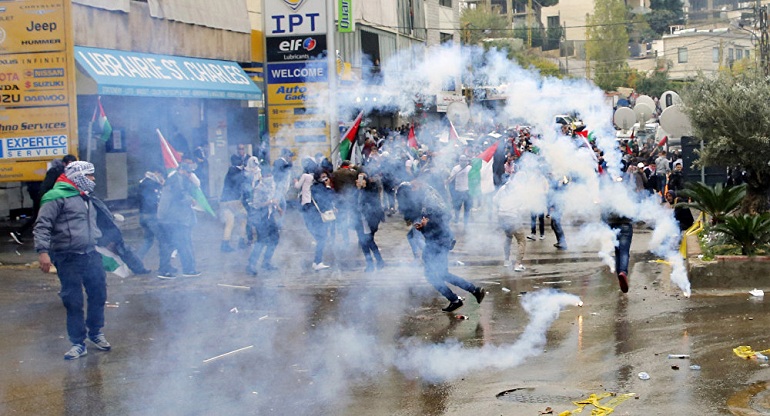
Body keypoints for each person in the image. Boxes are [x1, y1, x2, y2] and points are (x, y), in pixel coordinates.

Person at [33, 161, 112, 360]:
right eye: (90, 175)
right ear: (78, 176)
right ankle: (78, 342)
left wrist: (107, 241)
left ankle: (95, 332)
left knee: (98, 294)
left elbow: (95, 223)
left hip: (90, 254)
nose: (93, 179)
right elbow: (42, 226)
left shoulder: (86, 197)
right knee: (73, 300)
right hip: (67, 257)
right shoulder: (55, 197)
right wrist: (43, 252)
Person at [413, 182, 486, 312]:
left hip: (438, 244)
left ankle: (456, 298)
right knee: (442, 274)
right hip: (438, 243)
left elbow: (439, 225)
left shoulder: (432, 205)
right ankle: (473, 291)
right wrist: (423, 228)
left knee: (432, 275)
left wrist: (426, 225)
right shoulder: (430, 203)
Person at [156, 158, 201, 279]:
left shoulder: (174, 179)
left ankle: (164, 269)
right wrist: (190, 200)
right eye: (188, 173)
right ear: (183, 171)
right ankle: (188, 269)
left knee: (168, 245)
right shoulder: (177, 180)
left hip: (169, 219)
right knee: (184, 244)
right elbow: (180, 196)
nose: (189, 175)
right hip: (177, 219)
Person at [246, 169, 282, 275]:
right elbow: (257, 204)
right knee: (261, 241)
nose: (269, 177)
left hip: (269, 216)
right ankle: (251, 265)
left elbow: (273, 198)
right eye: (267, 175)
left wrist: (278, 207)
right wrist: (270, 202)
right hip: (259, 218)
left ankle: (266, 262)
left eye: (270, 174)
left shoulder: (272, 186)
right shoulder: (259, 188)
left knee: (275, 238)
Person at [353, 172, 385, 272]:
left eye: (363, 177)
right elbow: (352, 201)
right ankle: (370, 263)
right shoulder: (357, 190)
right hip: (359, 220)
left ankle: (378, 260)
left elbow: (373, 201)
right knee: (363, 242)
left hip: (369, 220)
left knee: (369, 241)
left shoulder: (372, 188)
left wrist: (365, 187)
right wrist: (358, 189)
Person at [495, 181, 527, 272]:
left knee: (508, 237)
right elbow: (523, 206)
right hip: (513, 217)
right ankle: (518, 264)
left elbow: (495, 200)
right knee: (521, 240)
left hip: (502, 216)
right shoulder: (518, 191)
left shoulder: (502, 188)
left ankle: (506, 260)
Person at [219, 155, 248, 252]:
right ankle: (242, 241)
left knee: (229, 223)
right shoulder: (237, 172)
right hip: (233, 201)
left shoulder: (230, 171)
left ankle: (225, 244)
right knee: (244, 218)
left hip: (224, 201)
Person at [136, 169, 164, 259]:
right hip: (151, 216)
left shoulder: (143, 182)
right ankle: (165, 266)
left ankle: (137, 261)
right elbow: (152, 201)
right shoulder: (150, 184)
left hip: (143, 215)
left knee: (148, 241)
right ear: (156, 172)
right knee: (163, 240)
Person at [604, 210, 633, 293]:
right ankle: (623, 272)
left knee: (618, 252)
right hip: (626, 223)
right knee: (624, 251)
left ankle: (620, 276)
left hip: (612, 224)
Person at [447, 155, 472, 227]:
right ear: (459, 161)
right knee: (457, 207)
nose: (463, 162)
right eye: (461, 160)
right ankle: (456, 218)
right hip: (458, 191)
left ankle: (466, 222)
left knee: (467, 208)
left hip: (467, 191)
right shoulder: (455, 169)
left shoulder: (470, 168)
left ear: (467, 161)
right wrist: (448, 180)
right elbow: (451, 179)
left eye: (464, 160)